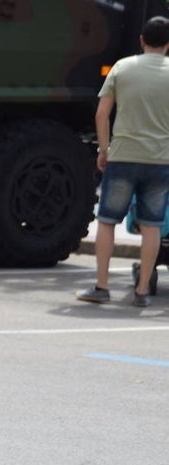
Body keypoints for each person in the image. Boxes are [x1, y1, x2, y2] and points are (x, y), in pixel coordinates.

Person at [76, 15, 169, 308]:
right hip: (160, 160)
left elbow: (102, 114)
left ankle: (102, 287)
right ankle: (142, 291)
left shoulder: (122, 67)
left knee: (107, 221)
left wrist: (104, 150)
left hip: (124, 156)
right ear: (168, 44)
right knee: (152, 225)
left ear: (142, 40)